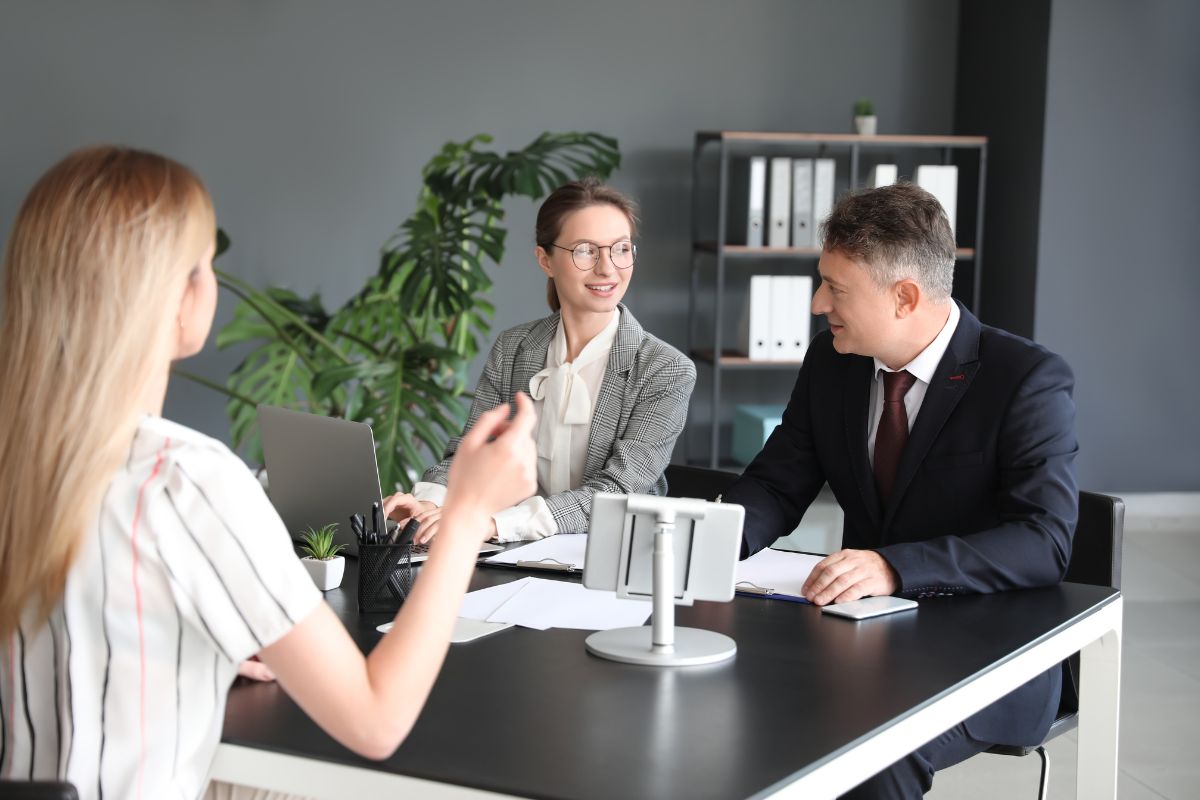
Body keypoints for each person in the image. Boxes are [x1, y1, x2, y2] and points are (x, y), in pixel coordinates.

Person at [0, 146, 537, 800]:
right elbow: (376, 721)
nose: (213, 283)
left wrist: (198, 646)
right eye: (203, 265)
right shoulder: (183, 479)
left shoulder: (19, 459)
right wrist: (466, 515)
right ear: (171, 299)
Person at [721, 183, 1078, 799]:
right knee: (721, 699)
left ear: (904, 297)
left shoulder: (1026, 380)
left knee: (869, 753)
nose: (816, 303)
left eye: (836, 288)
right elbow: (777, 483)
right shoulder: (834, 362)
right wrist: (704, 539)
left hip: (990, 650)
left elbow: (1042, 540)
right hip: (857, 640)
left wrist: (894, 567)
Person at [385, 178, 696, 543]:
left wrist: (495, 525)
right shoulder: (514, 348)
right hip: (510, 555)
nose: (608, 268)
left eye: (621, 249)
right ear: (545, 260)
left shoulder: (665, 369)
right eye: (585, 251)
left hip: (611, 557)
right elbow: (470, 453)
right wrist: (429, 503)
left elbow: (619, 490)